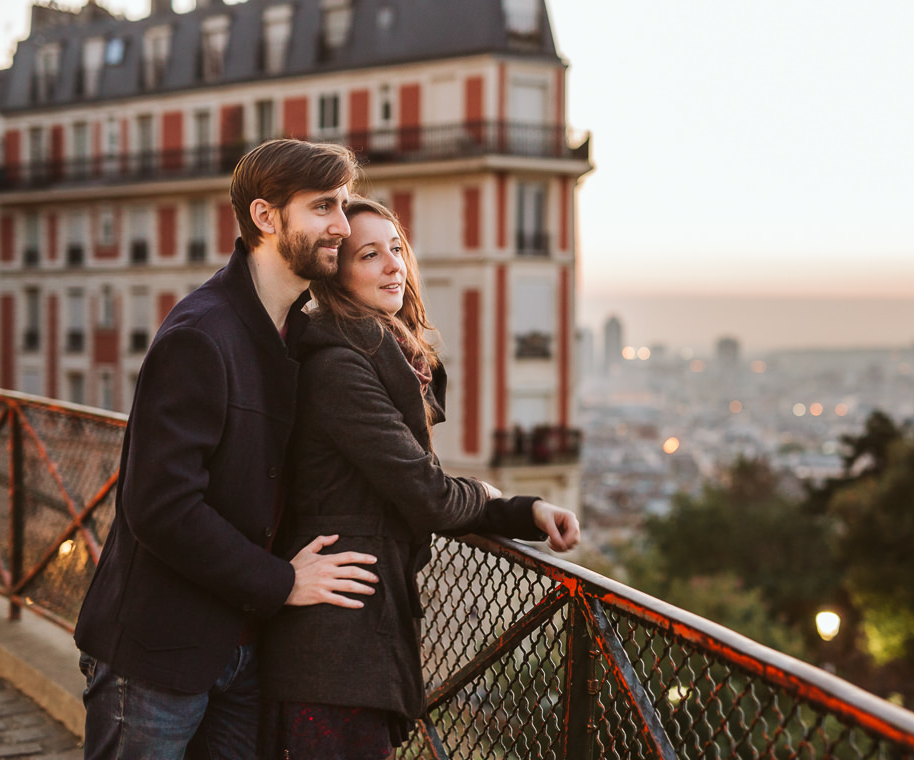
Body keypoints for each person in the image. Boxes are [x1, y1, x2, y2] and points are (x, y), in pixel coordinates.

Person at [73, 139, 383, 760]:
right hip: (156, 656)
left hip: (244, 655)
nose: (342, 228)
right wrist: (281, 582)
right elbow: (159, 506)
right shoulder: (200, 334)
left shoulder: (298, 336)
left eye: (343, 208)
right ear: (267, 218)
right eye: (324, 207)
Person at [259, 195, 581, 759]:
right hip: (333, 651)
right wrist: (485, 493)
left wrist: (520, 511)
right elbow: (427, 493)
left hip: (355, 638)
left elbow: (410, 478)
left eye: (396, 249)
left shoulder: (377, 354)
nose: (393, 267)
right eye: (368, 255)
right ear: (335, 273)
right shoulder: (337, 366)